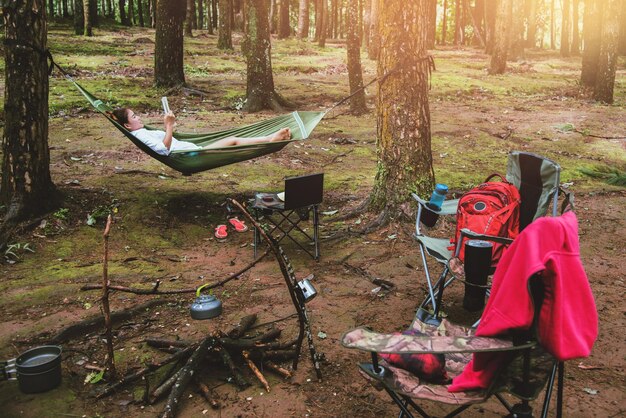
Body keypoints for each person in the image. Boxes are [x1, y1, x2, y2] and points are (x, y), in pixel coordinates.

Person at [111, 108, 291, 156]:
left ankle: (271, 137)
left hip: (192, 150)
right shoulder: (140, 134)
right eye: (134, 117)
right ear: (127, 126)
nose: (139, 118)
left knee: (232, 139)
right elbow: (164, 150)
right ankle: (271, 139)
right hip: (191, 156)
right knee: (232, 141)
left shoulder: (142, 132)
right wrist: (169, 125)